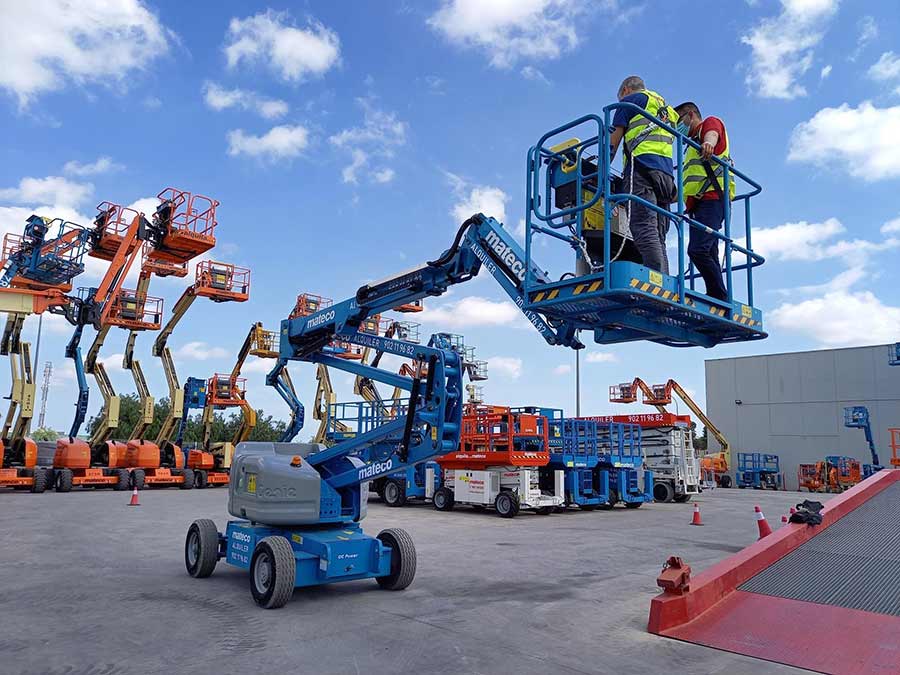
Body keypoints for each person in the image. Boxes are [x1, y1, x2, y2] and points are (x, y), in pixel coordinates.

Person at [609, 76, 678, 274]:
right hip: (665, 174)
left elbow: (614, 140)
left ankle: (655, 278)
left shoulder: (630, 101)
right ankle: (663, 279)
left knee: (642, 225)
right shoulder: (666, 108)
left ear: (626, 90)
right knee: (658, 233)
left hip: (641, 166)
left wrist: (601, 167)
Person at [674, 101, 734, 302]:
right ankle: (718, 297)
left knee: (697, 250)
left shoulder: (708, 124)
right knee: (709, 251)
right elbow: (689, 184)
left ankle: (720, 297)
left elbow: (713, 132)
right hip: (699, 206)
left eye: (679, 121)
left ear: (691, 115)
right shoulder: (688, 150)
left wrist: (708, 142)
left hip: (713, 200)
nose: (677, 127)